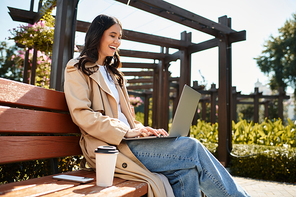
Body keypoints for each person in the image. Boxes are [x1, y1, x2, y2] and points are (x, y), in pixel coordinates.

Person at [64, 14, 250, 197]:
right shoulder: (78, 68)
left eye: (119, 37)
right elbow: (82, 114)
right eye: (113, 35)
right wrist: (125, 131)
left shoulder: (115, 75)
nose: (118, 41)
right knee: (192, 147)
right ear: (98, 35)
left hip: (131, 142)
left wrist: (143, 130)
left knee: (186, 174)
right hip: (110, 148)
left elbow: (127, 118)